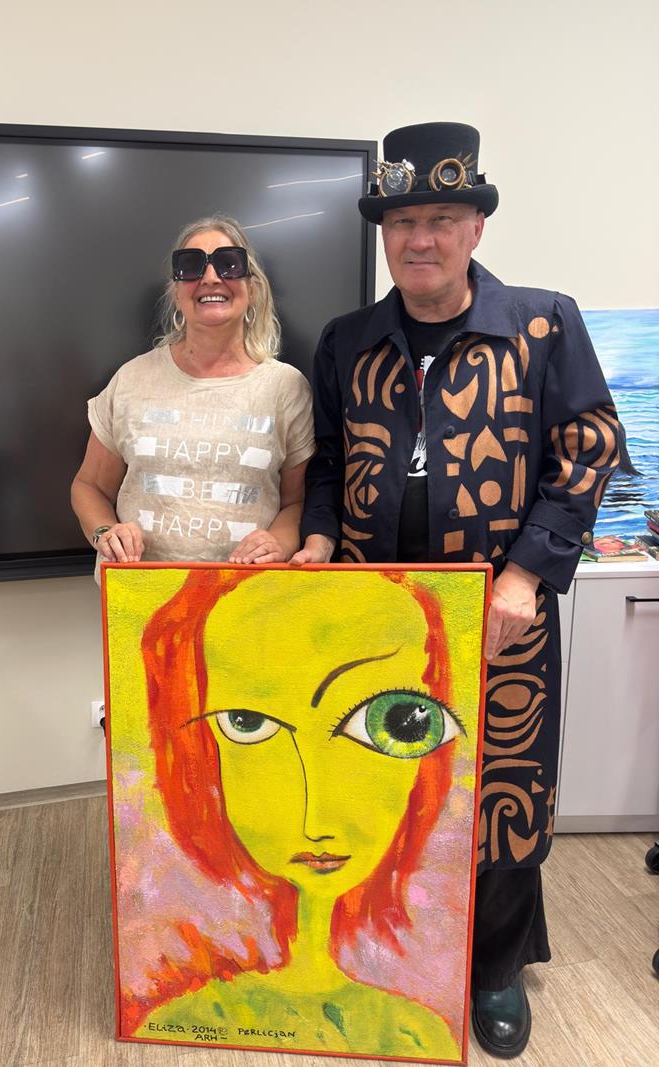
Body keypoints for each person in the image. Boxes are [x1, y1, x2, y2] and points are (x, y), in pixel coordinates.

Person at [291, 122, 624, 1058]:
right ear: (384, 235)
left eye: (442, 219)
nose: (421, 239)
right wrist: (318, 537)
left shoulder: (542, 322)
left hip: (499, 611)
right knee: (383, 780)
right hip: (373, 614)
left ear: (477, 227)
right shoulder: (347, 340)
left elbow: (589, 448)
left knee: (502, 790)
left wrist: (527, 573)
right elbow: (326, 461)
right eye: (403, 222)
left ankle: (495, 966)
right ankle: (390, 943)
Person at [116, 566, 487, 1060]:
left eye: (394, 721)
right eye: (247, 722)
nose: (316, 821)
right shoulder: (188, 1014)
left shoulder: (416, 1032)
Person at [70, 215, 314, 569]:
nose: (211, 277)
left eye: (229, 264)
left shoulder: (286, 388)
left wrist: (279, 542)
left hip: (243, 593)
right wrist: (105, 532)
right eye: (191, 265)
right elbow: (89, 486)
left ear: (253, 288)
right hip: (140, 593)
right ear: (175, 292)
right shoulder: (131, 380)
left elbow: (297, 503)